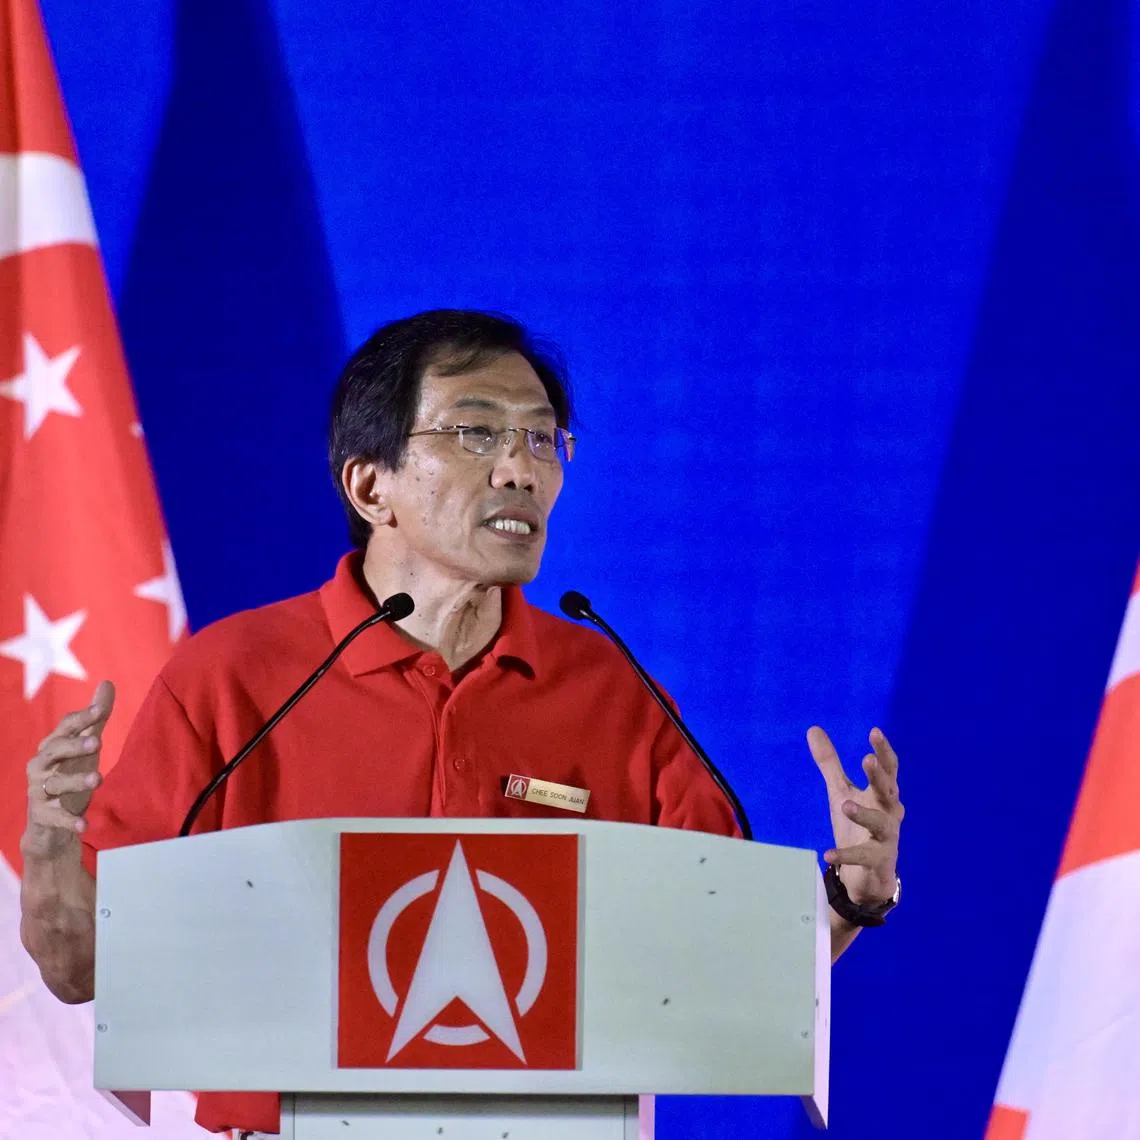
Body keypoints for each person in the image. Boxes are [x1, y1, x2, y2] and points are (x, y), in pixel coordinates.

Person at [19, 310, 904, 1135]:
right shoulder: (234, 679)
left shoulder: (609, 685)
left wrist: (848, 901)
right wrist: (53, 861)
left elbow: (726, 970)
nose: (520, 467)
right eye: (476, 432)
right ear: (371, 485)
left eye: (539, 438)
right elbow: (84, 970)